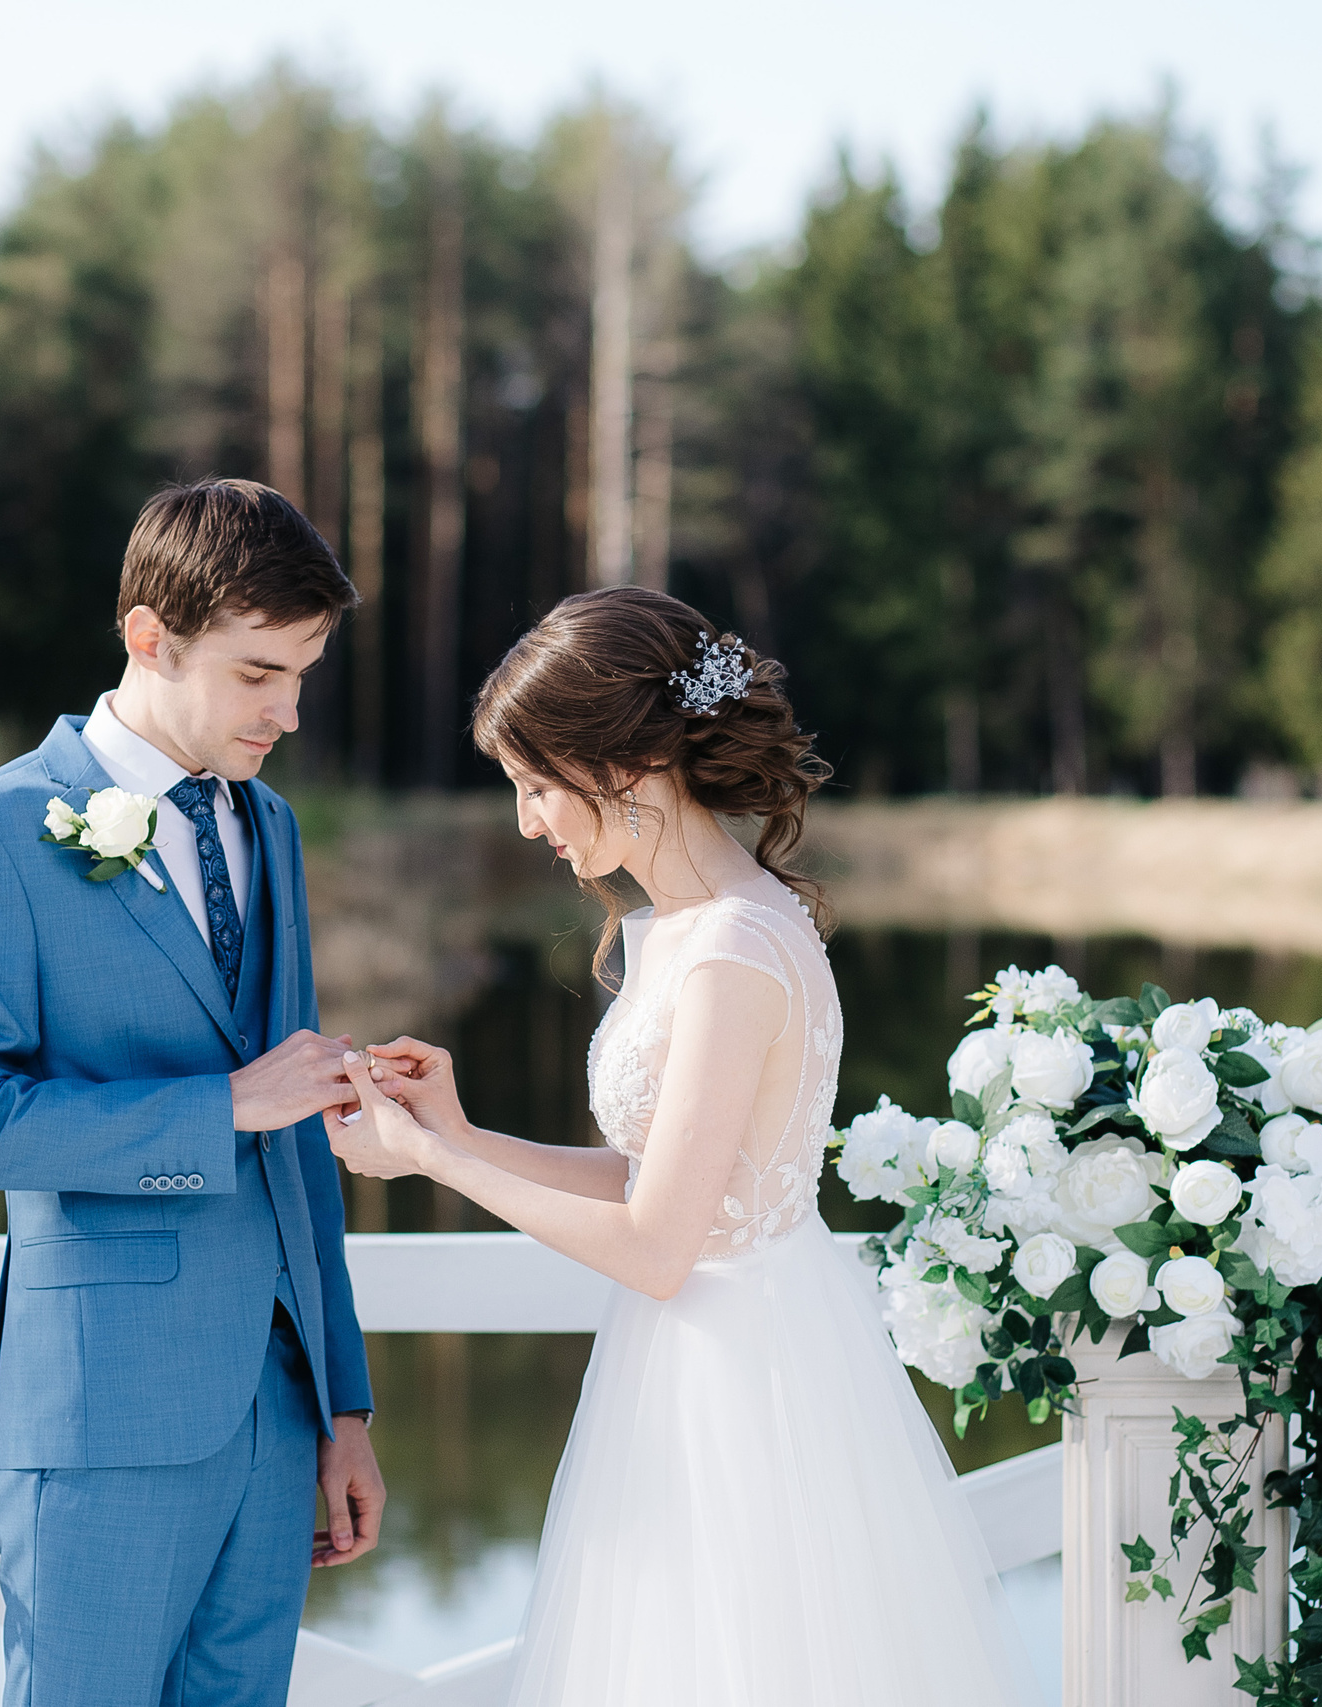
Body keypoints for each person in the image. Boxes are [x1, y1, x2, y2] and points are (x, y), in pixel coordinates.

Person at [326, 586, 1033, 1707]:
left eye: (533, 786)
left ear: (622, 763)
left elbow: (659, 1247)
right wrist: (461, 1130)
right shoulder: (686, 932)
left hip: (743, 1394)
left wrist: (432, 1164)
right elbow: (661, 1181)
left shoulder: (731, 953)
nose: (526, 822)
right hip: (692, 1366)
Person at [0, 479, 385, 1707]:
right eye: (257, 673)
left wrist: (344, 1405)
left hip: (276, 1420)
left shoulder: (267, 827)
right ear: (149, 638)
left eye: (303, 676)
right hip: (104, 1416)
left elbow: (296, 1138)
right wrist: (220, 1106)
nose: (286, 710)